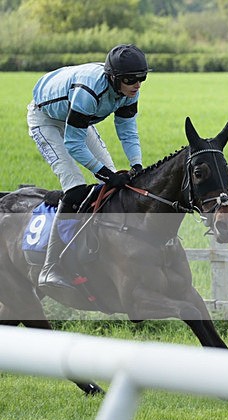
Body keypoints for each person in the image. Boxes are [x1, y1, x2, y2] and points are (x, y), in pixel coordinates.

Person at [28, 44, 150, 291]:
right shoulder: (89, 90)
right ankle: (50, 267)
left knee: (113, 188)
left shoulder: (129, 91)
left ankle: (101, 253)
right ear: (114, 78)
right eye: (131, 80)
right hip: (46, 120)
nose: (137, 85)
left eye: (142, 78)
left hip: (75, 117)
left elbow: (127, 131)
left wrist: (136, 165)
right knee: (75, 188)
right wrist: (105, 174)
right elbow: (73, 144)